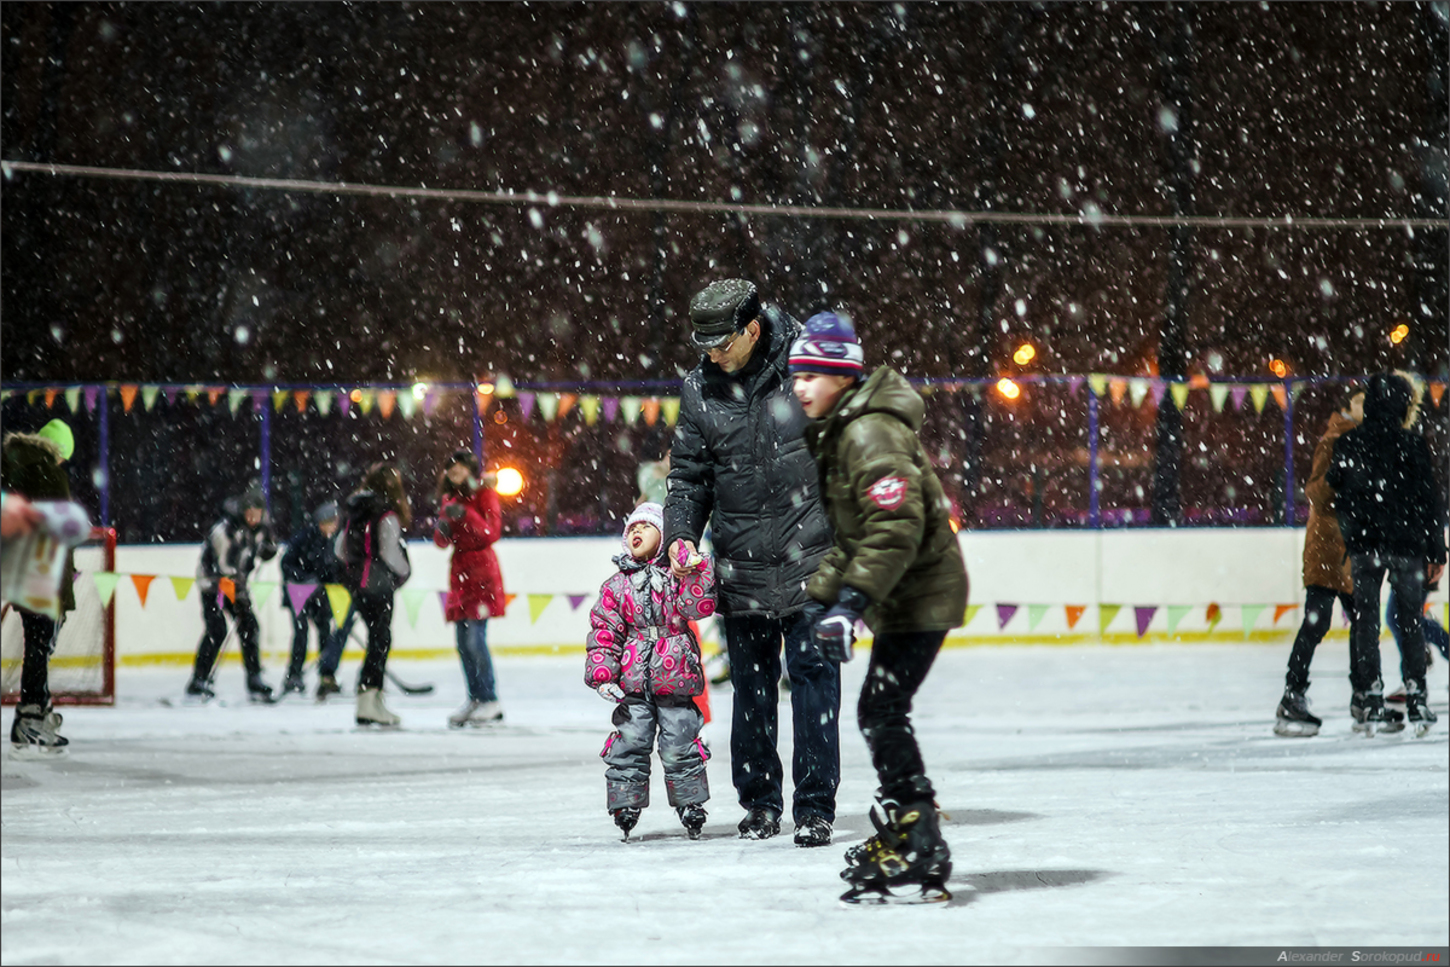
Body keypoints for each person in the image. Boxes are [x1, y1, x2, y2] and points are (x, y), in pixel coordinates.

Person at [790, 311, 968, 902]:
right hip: (908, 591)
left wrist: (853, 603)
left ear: (841, 376)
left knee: (881, 709)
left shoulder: (868, 432)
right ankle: (913, 822)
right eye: (795, 376)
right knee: (880, 709)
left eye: (811, 374)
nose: (799, 387)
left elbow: (894, 527)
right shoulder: (845, 428)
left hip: (921, 591)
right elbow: (856, 539)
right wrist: (821, 599)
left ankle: (919, 831)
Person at [663, 278, 840, 847]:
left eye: (721, 343)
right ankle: (760, 803)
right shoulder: (699, 390)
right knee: (753, 691)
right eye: (704, 345)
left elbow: (847, 447)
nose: (711, 355)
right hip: (741, 567)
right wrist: (680, 536)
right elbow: (689, 478)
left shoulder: (806, 369)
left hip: (812, 559)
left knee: (815, 684)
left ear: (753, 330)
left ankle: (814, 807)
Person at [585, 502, 716, 840]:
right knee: (630, 741)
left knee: (680, 743)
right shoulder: (616, 586)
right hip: (633, 681)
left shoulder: (676, 577)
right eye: (632, 529)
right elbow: (605, 632)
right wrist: (603, 675)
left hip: (676, 679)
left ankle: (690, 803)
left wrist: (696, 570)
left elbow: (699, 606)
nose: (636, 532)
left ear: (664, 536)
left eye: (645, 527)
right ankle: (626, 803)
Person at [1327, 372, 1447, 737]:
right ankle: (1417, 695)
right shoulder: (1412, 444)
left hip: (1365, 548)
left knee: (1366, 622)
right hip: (1407, 547)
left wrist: (1355, 527)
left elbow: (1336, 489)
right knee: (1410, 621)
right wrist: (1436, 551)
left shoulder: (1349, 443)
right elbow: (1429, 501)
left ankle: (1372, 694)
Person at [1273, 387, 1363, 737]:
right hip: (1327, 549)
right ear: (1348, 406)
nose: (1365, 409)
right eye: (1359, 402)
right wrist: (1336, 478)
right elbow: (1315, 492)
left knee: (1363, 620)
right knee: (1318, 621)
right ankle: (1292, 696)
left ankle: (1363, 693)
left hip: (1350, 550)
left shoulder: (1362, 439)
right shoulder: (1335, 438)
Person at [2, 421, 80, 753]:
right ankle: (31, 716)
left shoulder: (14, 466)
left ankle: (38, 709)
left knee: (36, 642)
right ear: (57, 451)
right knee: (39, 645)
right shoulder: (48, 475)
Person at [433, 449, 508, 728]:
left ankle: (489, 699)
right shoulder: (449, 499)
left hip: (481, 573)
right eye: (451, 468)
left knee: (476, 640)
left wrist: (466, 515)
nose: (455, 472)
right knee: (463, 644)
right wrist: (443, 523)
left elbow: (491, 533)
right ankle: (475, 698)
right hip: (460, 574)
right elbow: (441, 543)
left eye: (460, 467)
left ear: (470, 470)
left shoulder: (483, 495)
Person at [335, 462, 412, 727]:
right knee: (380, 641)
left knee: (376, 640)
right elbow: (391, 553)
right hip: (379, 587)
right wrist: (404, 571)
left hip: (358, 586)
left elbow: (338, 549)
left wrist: (356, 571)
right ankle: (369, 699)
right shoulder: (386, 514)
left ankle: (372, 700)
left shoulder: (354, 511)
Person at [185, 486, 278, 702]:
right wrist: (239, 593)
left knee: (249, 627)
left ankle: (254, 678)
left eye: (258, 514)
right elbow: (225, 566)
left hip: (237, 584)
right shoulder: (224, 531)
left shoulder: (262, 528)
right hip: (213, 583)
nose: (254, 518)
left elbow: (265, 549)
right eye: (250, 514)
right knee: (217, 629)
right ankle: (199, 679)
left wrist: (267, 551)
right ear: (243, 512)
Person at [279, 501, 344, 696]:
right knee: (301, 633)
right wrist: (305, 579)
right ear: (322, 523)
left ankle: (326, 675)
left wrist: (336, 582)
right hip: (298, 594)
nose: (333, 527)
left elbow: (330, 569)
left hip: (319, 595)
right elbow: (286, 564)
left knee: (325, 629)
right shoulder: (304, 538)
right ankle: (294, 675)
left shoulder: (331, 541)